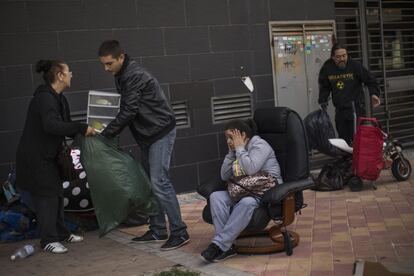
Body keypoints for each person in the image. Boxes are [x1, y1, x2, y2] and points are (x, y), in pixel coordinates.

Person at [97, 40, 189, 251]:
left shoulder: (133, 75)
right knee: (149, 183)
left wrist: (107, 134)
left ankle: (180, 232)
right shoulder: (122, 73)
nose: (106, 68)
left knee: (159, 181)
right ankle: (158, 229)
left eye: (109, 63)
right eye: (103, 64)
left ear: (121, 57)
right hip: (148, 133)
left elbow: (129, 111)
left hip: (160, 131)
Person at [15, 60, 95, 254]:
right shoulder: (45, 98)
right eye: (68, 71)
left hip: (48, 157)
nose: (71, 74)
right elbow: (51, 125)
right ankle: (48, 240)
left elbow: (64, 127)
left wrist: (84, 130)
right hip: (35, 158)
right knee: (47, 197)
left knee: (57, 194)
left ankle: (61, 233)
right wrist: (80, 127)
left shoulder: (59, 98)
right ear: (59, 75)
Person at [201, 119, 283, 263]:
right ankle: (227, 247)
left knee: (247, 202)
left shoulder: (260, 145)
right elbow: (224, 175)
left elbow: (250, 168)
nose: (228, 141)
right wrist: (230, 153)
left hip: (263, 190)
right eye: (226, 138)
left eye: (230, 137)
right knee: (216, 197)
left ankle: (219, 245)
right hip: (243, 188)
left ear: (243, 135)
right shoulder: (235, 150)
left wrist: (240, 149)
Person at [318, 43, 381, 145]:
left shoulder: (355, 66)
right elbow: (324, 86)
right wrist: (323, 100)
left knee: (358, 139)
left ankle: (358, 159)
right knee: (343, 140)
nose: (342, 59)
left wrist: (374, 94)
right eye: (338, 57)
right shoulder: (327, 68)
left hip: (356, 109)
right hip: (340, 110)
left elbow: (371, 80)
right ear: (333, 57)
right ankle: (347, 159)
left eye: (344, 56)